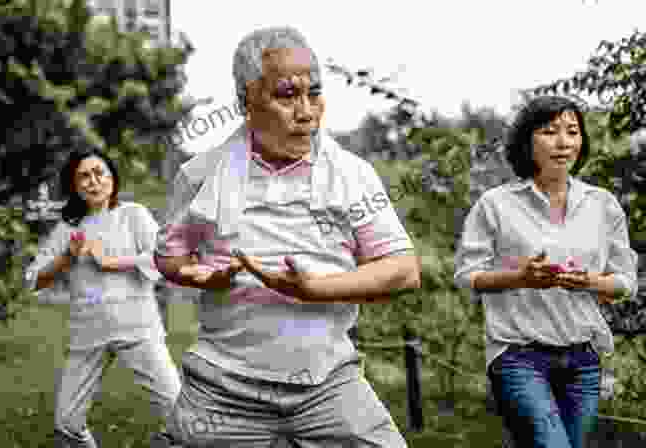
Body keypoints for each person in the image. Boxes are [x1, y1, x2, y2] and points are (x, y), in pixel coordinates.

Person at [152, 26, 420, 448]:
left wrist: (318, 289)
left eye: (314, 93)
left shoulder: (351, 174)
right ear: (245, 102)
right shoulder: (201, 175)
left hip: (328, 385)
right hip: (223, 387)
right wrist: (196, 273)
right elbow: (168, 258)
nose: (306, 111)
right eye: (286, 95)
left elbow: (403, 270)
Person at [455, 95, 638, 448]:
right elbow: (467, 275)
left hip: (583, 360)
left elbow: (625, 282)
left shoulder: (603, 205)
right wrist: (520, 278)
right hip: (518, 356)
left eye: (572, 131)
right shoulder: (495, 205)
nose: (563, 141)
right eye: (549, 131)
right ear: (527, 140)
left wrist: (591, 282)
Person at [23, 148, 182, 448]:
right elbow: (33, 279)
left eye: (100, 173)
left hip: (138, 328)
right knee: (67, 424)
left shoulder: (133, 214)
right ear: (74, 185)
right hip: (88, 334)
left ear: (112, 179)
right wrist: (66, 258)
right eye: (84, 176)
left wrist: (112, 262)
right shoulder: (67, 229)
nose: (93, 181)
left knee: (178, 412)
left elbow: (163, 259)